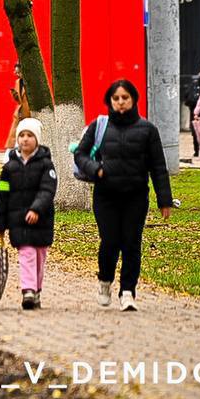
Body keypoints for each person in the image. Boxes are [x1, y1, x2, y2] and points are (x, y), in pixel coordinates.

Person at [73, 79, 175, 312]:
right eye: (116, 98)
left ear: (134, 100)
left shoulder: (148, 130)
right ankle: (105, 280)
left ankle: (128, 292)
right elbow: (80, 154)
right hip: (106, 196)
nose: (120, 103)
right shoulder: (99, 127)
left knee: (131, 243)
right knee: (110, 241)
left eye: (125, 98)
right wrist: (94, 169)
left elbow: (158, 166)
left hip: (135, 197)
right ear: (110, 101)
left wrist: (164, 199)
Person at [0, 117, 57, 310]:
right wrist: (0, 224)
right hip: (18, 221)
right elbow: (2, 195)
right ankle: (28, 290)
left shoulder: (46, 165)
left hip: (42, 220)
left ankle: (36, 290)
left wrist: (37, 209)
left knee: (39, 256)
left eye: (30, 135)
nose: (25, 139)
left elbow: (48, 189)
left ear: (37, 139)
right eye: (22, 135)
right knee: (27, 253)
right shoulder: (9, 168)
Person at [4, 63, 31, 150]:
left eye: (18, 72)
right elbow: (20, 100)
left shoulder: (32, 83)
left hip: (29, 114)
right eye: (15, 72)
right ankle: (10, 154)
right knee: (13, 137)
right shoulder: (18, 82)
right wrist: (14, 94)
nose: (16, 74)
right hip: (19, 114)